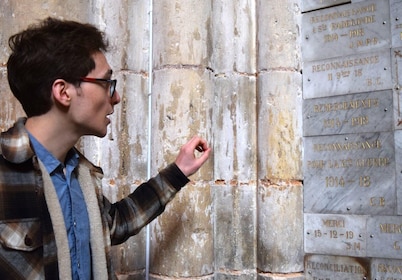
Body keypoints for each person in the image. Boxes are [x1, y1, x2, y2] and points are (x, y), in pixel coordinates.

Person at [0, 17, 211, 280]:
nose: (116, 97)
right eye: (106, 83)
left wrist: (178, 172)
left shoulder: (79, 173)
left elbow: (115, 223)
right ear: (63, 92)